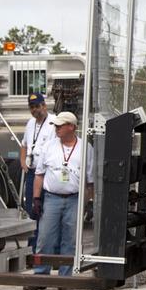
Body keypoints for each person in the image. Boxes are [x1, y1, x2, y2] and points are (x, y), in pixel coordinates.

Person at [32, 111, 95, 278]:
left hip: (75, 199)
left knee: (70, 240)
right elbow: (39, 174)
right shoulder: (49, 146)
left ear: (71, 127)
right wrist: (36, 198)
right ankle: (40, 275)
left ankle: (65, 278)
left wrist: (89, 202)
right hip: (52, 198)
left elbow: (90, 181)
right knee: (45, 238)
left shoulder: (85, 148)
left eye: (60, 126)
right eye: (56, 126)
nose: (56, 129)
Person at [19, 92, 55, 246]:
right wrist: (22, 161)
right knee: (31, 210)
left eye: (37, 106)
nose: (34, 110)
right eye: (31, 107)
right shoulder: (30, 123)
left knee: (45, 210)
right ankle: (32, 248)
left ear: (44, 106)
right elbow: (24, 144)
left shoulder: (54, 122)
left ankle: (46, 246)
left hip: (47, 174)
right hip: (32, 173)